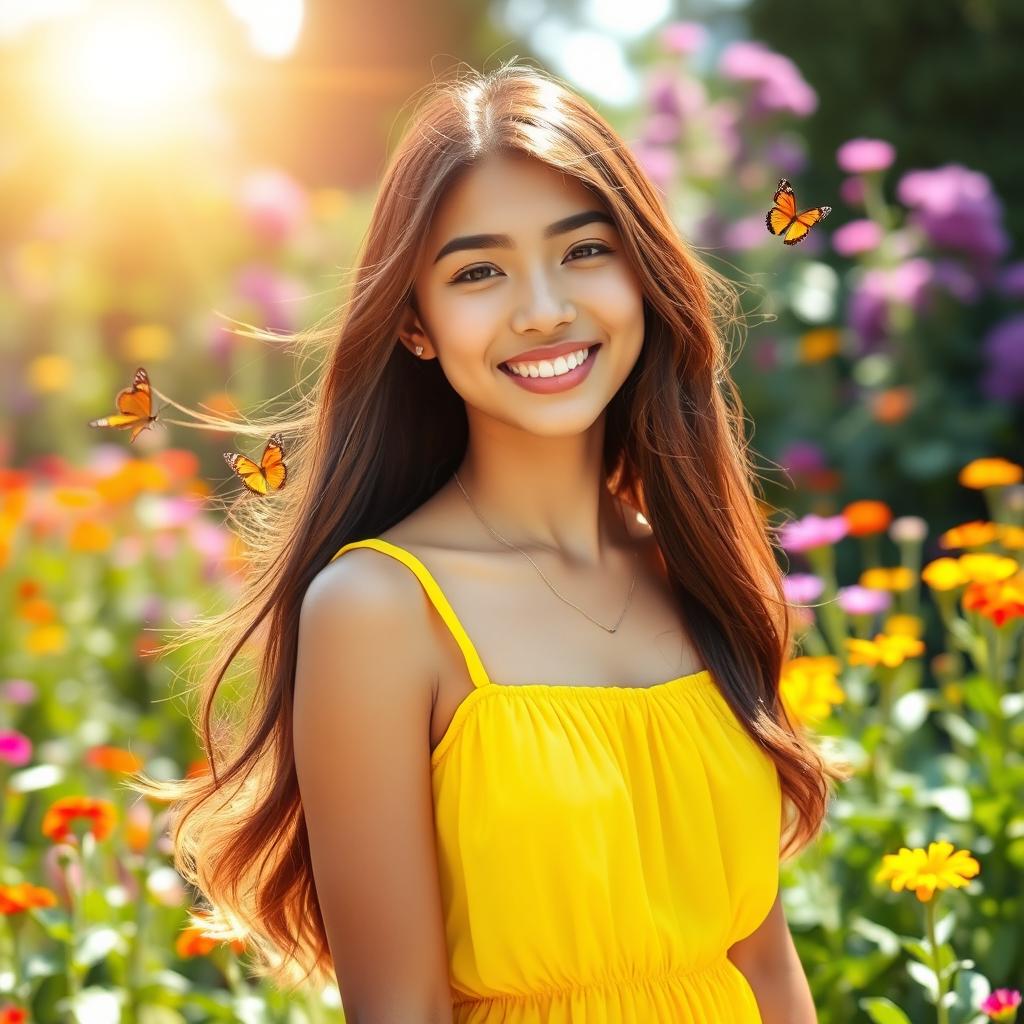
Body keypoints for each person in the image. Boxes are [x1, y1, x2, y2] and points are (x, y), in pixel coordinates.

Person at [134, 60, 849, 1023]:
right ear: (418, 326)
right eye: (478, 272)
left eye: (584, 251)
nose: (543, 308)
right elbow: (402, 1012)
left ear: (642, 274)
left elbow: (763, 962)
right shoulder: (379, 612)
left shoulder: (694, 568)